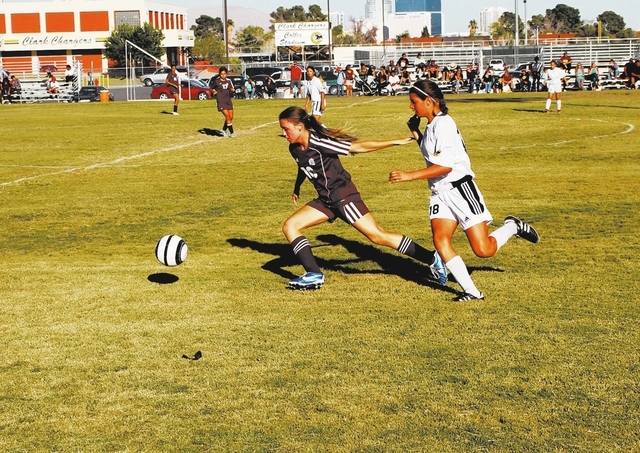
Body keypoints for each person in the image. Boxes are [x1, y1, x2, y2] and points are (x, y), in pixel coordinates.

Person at [388, 79, 539, 301]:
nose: (411, 106)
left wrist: (409, 175)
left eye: (414, 101)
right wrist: (415, 131)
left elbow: (445, 166)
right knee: (441, 241)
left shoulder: (444, 124)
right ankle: (472, 292)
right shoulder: (432, 125)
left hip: (460, 190)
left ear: (428, 101)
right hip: (440, 193)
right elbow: (431, 156)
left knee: (484, 250)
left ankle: (513, 226)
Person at [278, 105, 447, 290]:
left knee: (378, 235)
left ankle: (432, 258)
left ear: (299, 126)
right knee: (290, 226)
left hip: (343, 198)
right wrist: (297, 187)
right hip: (325, 200)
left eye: (286, 129)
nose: (284, 134)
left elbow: (358, 147)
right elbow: (304, 165)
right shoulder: (294, 148)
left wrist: (395, 142)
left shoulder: (319, 143)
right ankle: (313, 274)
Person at [210, 67, 235, 137]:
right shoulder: (217, 81)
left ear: (226, 74)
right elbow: (211, 88)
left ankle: (223, 129)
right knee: (227, 116)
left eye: (224, 74)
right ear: (219, 74)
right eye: (221, 74)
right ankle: (232, 133)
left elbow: (231, 89)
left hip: (228, 100)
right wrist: (213, 91)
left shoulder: (229, 81)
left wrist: (232, 90)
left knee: (231, 117)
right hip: (221, 101)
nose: (223, 75)